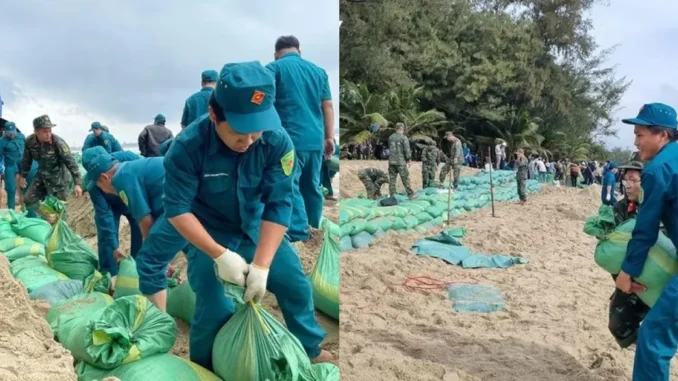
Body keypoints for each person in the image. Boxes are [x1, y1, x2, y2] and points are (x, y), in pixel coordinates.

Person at [162, 61, 332, 371]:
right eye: (240, 133)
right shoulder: (187, 148)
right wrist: (219, 255)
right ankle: (205, 368)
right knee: (213, 305)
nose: (249, 142)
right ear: (215, 115)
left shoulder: (277, 141)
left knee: (295, 285)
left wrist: (263, 264)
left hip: (257, 228)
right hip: (208, 233)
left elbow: (279, 204)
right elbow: (177, 210)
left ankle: (309, 348)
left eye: (256, 131)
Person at [613, 103, 678, 380]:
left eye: (640, 134)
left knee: (653, 337)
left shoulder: (659, 168)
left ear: (662, 135)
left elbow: (646, 229)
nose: (636, 141)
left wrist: (627, 272)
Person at [82, 148, 184, 311]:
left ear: (104, 177)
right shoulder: (122, 169)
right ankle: (111, 272)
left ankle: (157, 320)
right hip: (183, 201)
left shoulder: (122, 176)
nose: (99, 188)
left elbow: (146, 220)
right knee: (192, 254)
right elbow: (105, 218)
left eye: (99, 185)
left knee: (147, 261)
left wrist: (155, 256)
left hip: (176, 204)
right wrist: (114, 246)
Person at [266, 35, 334, 242]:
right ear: (299, 50)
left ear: (276, 53)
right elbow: (328, 106)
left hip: (288, 140)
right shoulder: (319, 72)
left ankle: (297, 232)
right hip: (315, 139)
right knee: (312, 185)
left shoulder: (273, 69)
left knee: (289, 184)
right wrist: (329, 137)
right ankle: (314, 226)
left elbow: (264, 102)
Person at [82, 147, 143, 289]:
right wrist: (114, 246)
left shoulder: (128, 158)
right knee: (106, 236)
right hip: (112, 204)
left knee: (140, 230)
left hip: (134, 200)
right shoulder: (93, 183)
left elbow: (144, 182)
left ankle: (138, 269)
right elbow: (104, 215)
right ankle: (109, 274)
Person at [21, 115, 82, 222]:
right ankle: (48, 217)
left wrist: (77, 183)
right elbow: (26, 160)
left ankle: (61, 232)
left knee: (61, 209)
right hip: (42, 176)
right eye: (45, 131)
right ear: (36, 132)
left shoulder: (58, 142)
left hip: (59, 179)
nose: (48, 134)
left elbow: (71, 162)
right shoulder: (30, 141)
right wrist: (23, 176)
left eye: (50, 130)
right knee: (28, 199)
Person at [388, 123, 416, 198]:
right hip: (400, 162)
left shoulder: (390, 137)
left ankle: (392, 195)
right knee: (405, 178)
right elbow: (406, 150)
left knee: (392, 179)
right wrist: (409, 160)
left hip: (391, 161)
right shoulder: (403, 138)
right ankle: (410, 194)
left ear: (395, 129)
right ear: (402, 129)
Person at [0, 122, 23, 210]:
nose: (11, 134)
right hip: (10, 166)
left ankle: (27, 210)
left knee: (27, 187)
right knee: (11, 189)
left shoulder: (22, 137)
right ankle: (11, 212)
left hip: (22, 164)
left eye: (12, 131)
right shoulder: (2, 141)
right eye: (9, 132)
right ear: (5, 131)